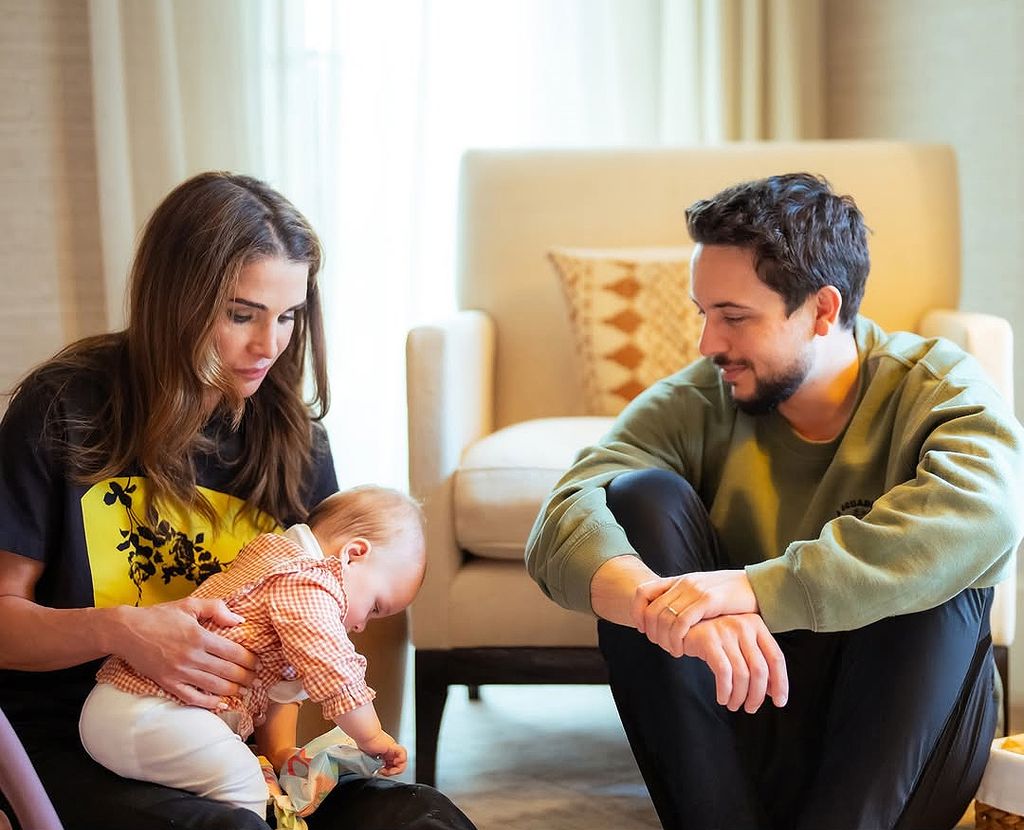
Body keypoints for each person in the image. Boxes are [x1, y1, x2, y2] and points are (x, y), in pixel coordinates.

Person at [526, 173, 1024, 830]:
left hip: (898, 745)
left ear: (821, 310)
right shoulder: (702, 399)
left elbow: (988, 515)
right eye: (704, 315)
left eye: (734, 317)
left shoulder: (933, 385)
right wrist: (668, 605)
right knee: (638, 499)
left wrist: (751, 589)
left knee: (941, 561)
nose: (709, 345)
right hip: (745, 717)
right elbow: (564, 516)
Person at [0, 171, 475, 830]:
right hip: (85, 738)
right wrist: (119, 630)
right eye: (241, 314)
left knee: (422, 819)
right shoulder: (66, 408)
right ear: (177, 300)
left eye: (288, 317)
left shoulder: (296, 442)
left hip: (230, 743)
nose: (269, 346)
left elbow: (299, 633)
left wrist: (283, 752)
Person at [79, 484, 426, 817]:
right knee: (245, 783)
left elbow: (281, 690)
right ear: (354, 554)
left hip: (130, 712)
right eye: (376, 607)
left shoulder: (279, 571)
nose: (363, 625)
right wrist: (370, 734)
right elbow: (333, 666)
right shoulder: (307, 578)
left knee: (248, 777)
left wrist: (278, 753)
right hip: (144, 709)